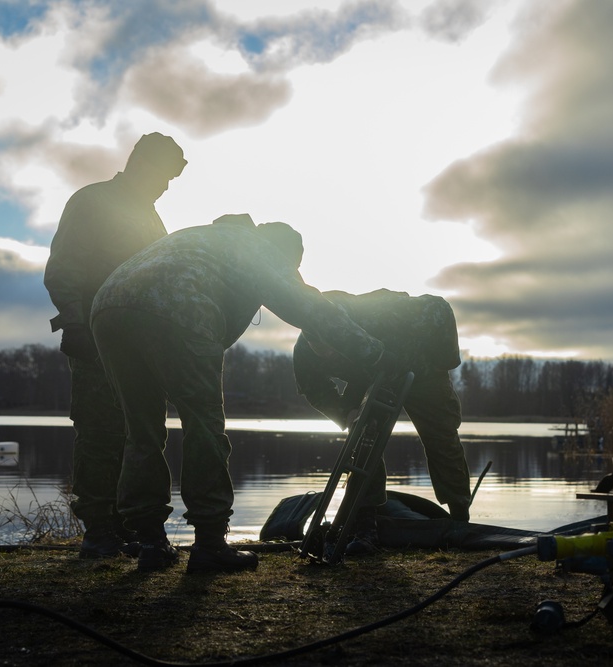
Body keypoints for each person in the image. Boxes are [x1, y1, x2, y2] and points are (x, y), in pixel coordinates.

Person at [89, 214, 391, 573]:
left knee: (141, 432)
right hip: (178, 307)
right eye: (289, 268)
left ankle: (151, 544)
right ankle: (210, 545)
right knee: (204, 427)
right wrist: (375, 353)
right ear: (283, 255)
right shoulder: (260, 250)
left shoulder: (211, 237)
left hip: (108, 307)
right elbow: (308, 306)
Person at [43, 132, 187, 559]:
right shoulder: (92, 202)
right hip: (96, 339)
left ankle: (130, 526)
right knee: (100, 433)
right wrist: (76, 323)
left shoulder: (150, 218)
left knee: (140, 434)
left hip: (143, 348)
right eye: (164, 176)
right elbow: (63, 268)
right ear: (143, 165)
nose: (166, 186)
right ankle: (99, 531)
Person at [292, 288, 473, 555]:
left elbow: (442, 355)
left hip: (422, 369)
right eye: (323, 350)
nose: (328, 354)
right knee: (364, 440)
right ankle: (366, 528)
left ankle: (460, 516)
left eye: (333, 348)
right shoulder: (305, 350)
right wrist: (346, 413)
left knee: (442, 437)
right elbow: (314, 388)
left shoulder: (394, 316)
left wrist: (435, 367)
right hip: (370, 372)